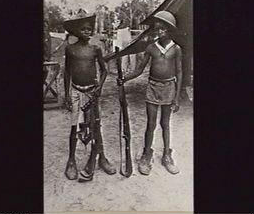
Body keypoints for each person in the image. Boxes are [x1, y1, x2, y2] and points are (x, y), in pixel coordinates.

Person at [118, 11, 182, 175]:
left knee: (165, 124)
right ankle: (147, 154)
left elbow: (180, 72)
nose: (159, 32)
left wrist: (176, 98)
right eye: (157, 29)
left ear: (169, 31)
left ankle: (167, 154)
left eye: (163, 29)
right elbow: (139, 70)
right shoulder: (151, 48)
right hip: (153, 88)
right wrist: (125, 78)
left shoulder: (176, 49)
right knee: (151, 124)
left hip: (169, 88)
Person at [63, 12, 116, 181]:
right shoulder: (70, 49)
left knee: (96, 126)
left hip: (91, 92)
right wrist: (67, 95)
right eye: (83, 29)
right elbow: (67, 73)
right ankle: (71, 161)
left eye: (89, 29)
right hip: (76, 91)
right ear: (77, 31)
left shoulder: (96, 48)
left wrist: (99, 87)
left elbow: (105, 70)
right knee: (74, 127)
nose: (87, 31)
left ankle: (102, 158)